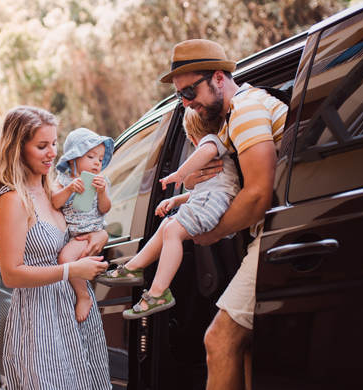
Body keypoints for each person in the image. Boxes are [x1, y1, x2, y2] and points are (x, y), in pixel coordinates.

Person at [160, 39, 288, 390]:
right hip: (277, 237)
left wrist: (213, 232)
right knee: (246, 349)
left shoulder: (245, 110)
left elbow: (259, 194)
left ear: (219, 77)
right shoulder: (237, 118)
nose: (186, 102)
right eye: (179, 96)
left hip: (277, 238)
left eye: (190, 90)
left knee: (219, 342)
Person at [0, 106, 111, 389]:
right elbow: (11, 274)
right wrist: (72, 270)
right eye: (42, 146)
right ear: (17, 149)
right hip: (39, 321)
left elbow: (88, 223)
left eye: (54, 143)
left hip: (74, 314)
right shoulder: (14, 199)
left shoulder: (55, 190)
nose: (52, 153)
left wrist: (101, 235)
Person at [95, 110, 240, 321]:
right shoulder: (217, 154)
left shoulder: (212, 142)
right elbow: (204, 192)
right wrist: (176, 200)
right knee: (167, 224)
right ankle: (133, 268)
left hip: (215, 201)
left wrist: (180, 174)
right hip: (211, 200)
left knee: (172, 230)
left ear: (191, 137)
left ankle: (158, 291)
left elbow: (205, 154)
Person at [51, 128, 114, 323]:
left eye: (100, 158)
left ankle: (83, 295)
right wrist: (70, 188)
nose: (97, 162)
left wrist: (102, 192)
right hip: (73, 235)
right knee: (67, 259)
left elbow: (105, 209)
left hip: (90, 233)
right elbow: (55, 202)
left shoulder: (100, 182)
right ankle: (81, 292)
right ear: (72, 159)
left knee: (65, 258)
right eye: (91, 156)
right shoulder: (62, 181)